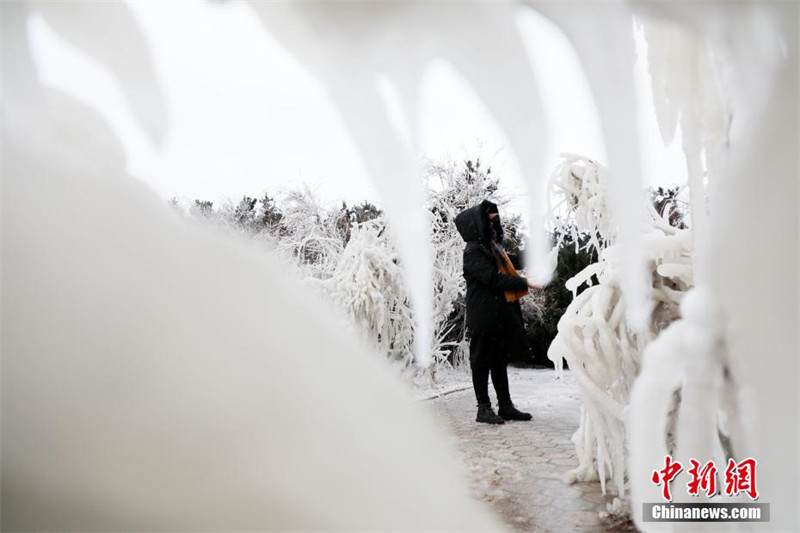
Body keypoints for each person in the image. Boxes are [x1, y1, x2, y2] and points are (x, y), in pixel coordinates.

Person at [455, 200, 541, 424]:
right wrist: (525, 282)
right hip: (483, 314)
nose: (494, 224)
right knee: (482, 360)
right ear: (478, 224)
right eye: (490, 220)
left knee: (499, 360)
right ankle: (483, 408)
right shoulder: (473, 251)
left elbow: (511, 261)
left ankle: (505, 405)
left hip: (498, 313)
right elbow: (493, 279)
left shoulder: (493, 249)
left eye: (495, 220)